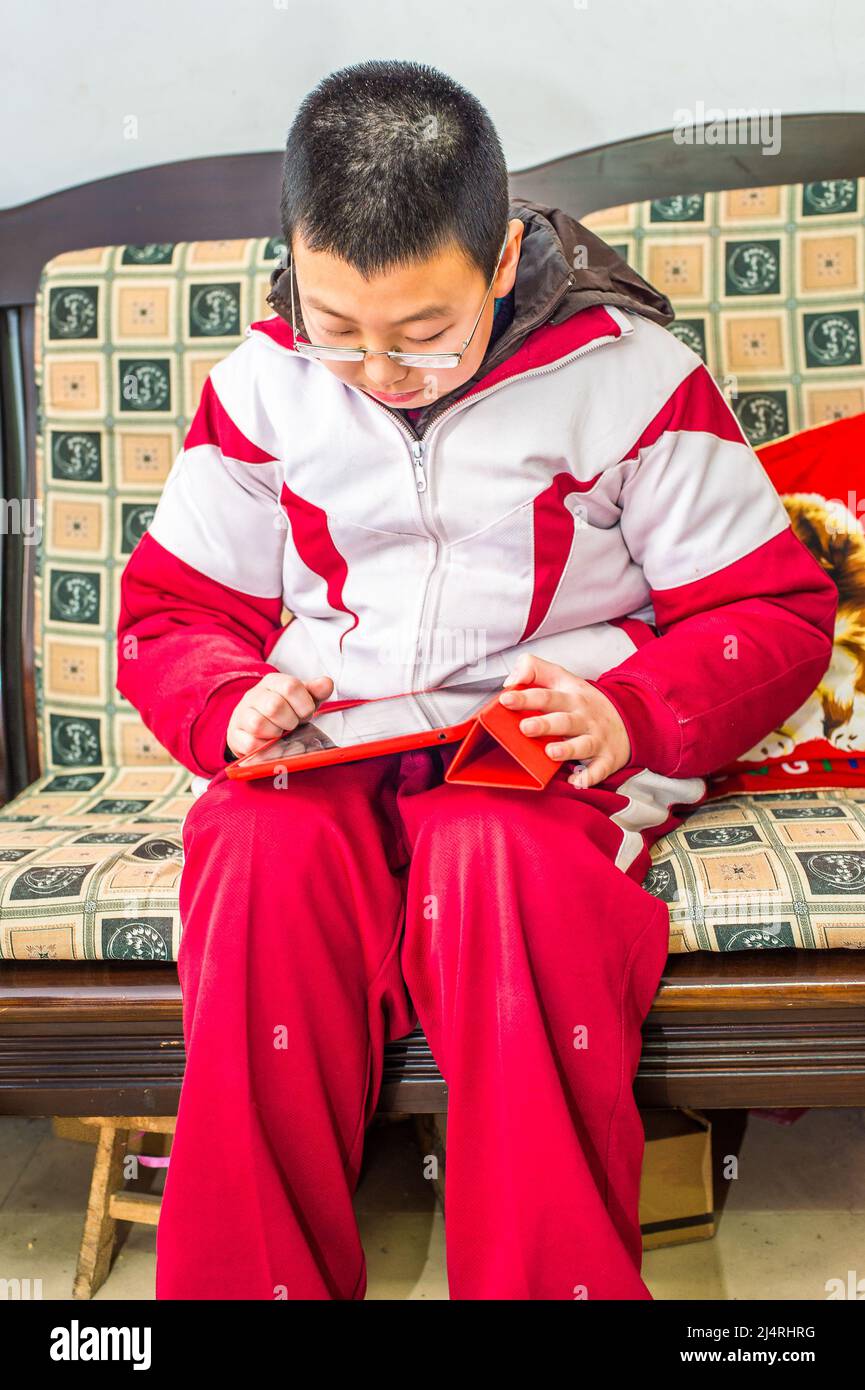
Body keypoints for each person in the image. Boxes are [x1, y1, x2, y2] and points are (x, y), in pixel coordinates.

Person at [116, 59, 837, 1300]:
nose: (382, 370)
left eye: (423, 332)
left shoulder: (632, 378)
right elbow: (174, 614)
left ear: (501, 259)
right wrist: (227, 697)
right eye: (339, 330)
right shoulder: (258, 389)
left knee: (497, 868)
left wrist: (630, 710)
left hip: (536, 758)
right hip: (328, 746)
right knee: (253, 853)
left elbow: (771, 610)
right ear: (294, 260)